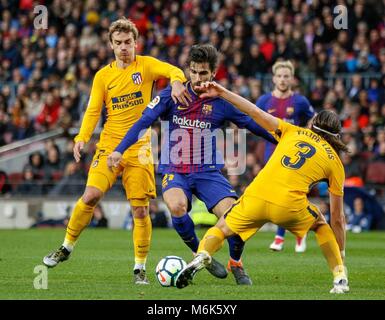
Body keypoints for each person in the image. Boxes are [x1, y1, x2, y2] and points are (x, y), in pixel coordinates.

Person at [107, 44, 277, 285]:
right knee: (176, 207)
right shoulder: (171, 95)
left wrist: (282, 139)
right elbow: (142, 122)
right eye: (194, 72)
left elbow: (252, 124)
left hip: (207, 171)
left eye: (204, 73)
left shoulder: (221, 102)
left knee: (235, 217)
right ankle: (201, 254)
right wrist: (119, 150)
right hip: (175, 169)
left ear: (213, 73)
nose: (198, 78)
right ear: (188, 70)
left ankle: (236, 262)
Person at [43, 17, 190, 285]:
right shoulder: (103, 75)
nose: (124, 47)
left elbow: (174, 70)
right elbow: (93, 110)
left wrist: (178, 81)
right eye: (119, 43)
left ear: (136, 43)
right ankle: (66, 247)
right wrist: (81, 137)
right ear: (111, 45)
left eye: (128, 42)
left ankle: (139, 269)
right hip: (109, 145)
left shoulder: (145, 65)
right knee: (90, 196)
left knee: (141, 211)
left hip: (140, 149)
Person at [176, 81, 349, 295]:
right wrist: (340, 251)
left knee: (221, 229)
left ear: (313, 125)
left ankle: (202, 254)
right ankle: (340, 277)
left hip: (256, 195)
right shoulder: (335, 163)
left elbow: (254, 111)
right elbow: (338, 217)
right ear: (337, 135)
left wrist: (222, 91)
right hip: (288, 206)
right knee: (321, 224)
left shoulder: (291, 130)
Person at [256, 60, 315, 253]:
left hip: (294, 156)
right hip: (271, 154)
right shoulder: (264, 101)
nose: (282, 79)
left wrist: (305, 137)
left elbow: (312, 120)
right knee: (277, 195)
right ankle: (298, 232)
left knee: (291, 194)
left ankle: (283, 236)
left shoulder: (300, 102)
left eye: (286, 76)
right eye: (279, 76)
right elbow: (253, 120)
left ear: (292, 78)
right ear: (274, 78)